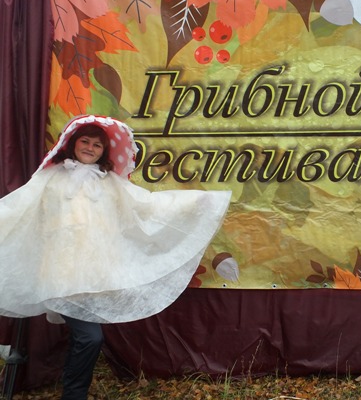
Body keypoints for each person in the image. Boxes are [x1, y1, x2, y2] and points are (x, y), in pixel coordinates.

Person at [0, 115, 232, 400]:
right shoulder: (51, 177)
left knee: (85, 338)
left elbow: (146, 206)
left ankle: (74, 392)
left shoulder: (109, 182)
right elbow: (19, 207)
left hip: (93, 275)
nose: (90, 147)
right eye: (84, 141)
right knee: (90, 337)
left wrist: (198, 203)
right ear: (71, 143)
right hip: (60, 273)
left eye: (97, 145)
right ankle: (74, 395)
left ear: (104, 151)